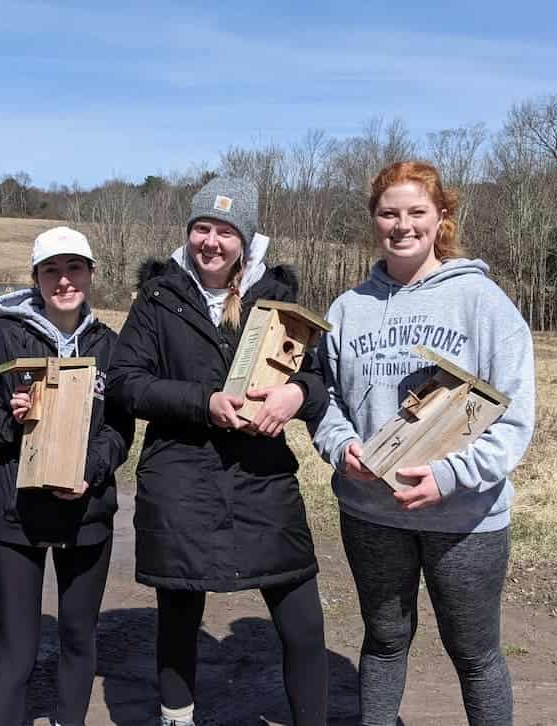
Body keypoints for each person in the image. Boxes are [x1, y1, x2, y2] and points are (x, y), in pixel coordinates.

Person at [310, 161, 536, 726]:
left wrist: (447, 476)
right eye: (389, 213)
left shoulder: (483, 303)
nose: (402, 225)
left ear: (441, 219)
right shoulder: (347, 309)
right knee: (384, 640)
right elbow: (324, 400)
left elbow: (514, 420)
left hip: (463, 518)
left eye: (417, 212)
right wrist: (342, 449)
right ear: (374, 221)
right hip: (371, 513)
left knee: (475, 653)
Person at [108, 177, 330, 726]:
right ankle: (176, 719)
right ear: (188, 233)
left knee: (303, 622)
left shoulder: (277, 300)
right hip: (181, 481)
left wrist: (295, 394)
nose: (211, 241)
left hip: (263, 480)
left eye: (225, 231)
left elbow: (320, 378)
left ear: (246, 241)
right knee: (179, 614)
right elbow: (125, 383)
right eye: (202, 228)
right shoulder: (158, 298)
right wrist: (201, 402)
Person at [0, 226, 134, 726]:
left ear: (91, 274)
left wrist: (90, 471)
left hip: (86, 511)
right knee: (17, 649)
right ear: (35, 277)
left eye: (74, 268)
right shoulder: (2, 337)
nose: (63, 281)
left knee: (79, 638)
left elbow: (121, 429)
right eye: (51, 271)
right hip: (19, 514)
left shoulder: (109, 345)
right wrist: (9, 422)